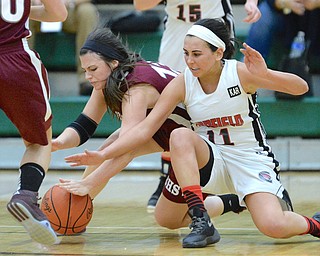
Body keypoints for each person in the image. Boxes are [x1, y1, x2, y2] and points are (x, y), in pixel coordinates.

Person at [64, 18, 320, 249]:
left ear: (218, 52)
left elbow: (301, 87)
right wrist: (103, 154)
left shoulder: (239, 73)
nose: (190, 61)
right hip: (210, 158)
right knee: (168, 206)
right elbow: (144, 129)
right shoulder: (182, 83)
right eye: (186, 54)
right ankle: (202, 221)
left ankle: (313, 223)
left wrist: (266, 75)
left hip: (249, 159)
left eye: (197, 54)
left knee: (273, 226)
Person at [52, 26, 247, 234]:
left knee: (165, 214)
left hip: (203, 143)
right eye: (85, 71)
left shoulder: (136, 89)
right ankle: (77, 207)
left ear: (113, 63)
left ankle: (238, 200)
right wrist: (58, 143)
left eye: (93, 69)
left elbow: (128, 148)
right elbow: (84, 125)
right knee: (114, 143)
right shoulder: (111, 78)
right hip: (173, 135)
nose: (88, 76)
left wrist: (89, 183)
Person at [133, 0, 262, 211]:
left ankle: (234, 169)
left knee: (219, 101)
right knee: (169, 107)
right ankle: (168, 177)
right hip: (178, 28)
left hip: (213, 27)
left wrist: (251, 3)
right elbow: (140, 5)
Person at [1, 0, 68, 245]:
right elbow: (57, 13)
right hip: (15, 58)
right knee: (38, 142)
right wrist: (21, 14)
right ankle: (26, 195)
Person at [29, 0, 98, 96]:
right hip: (38, 10)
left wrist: (69, 2)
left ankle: (87, 78)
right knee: (24, 11)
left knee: (87, 11)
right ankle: (23, 77)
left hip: (69, 9)